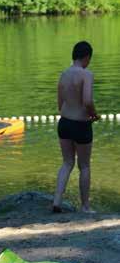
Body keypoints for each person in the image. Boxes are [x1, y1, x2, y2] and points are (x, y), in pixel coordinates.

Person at [53, 41, 100, 214]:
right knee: (84, 166)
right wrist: (94, 114)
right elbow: (87, 100)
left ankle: (57, 200)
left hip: (64, 123)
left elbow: (59, 103)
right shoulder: (86, 74)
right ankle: (85, 206)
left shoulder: (64, 74)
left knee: (67, 162)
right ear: (87, 57)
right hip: (81, 124)